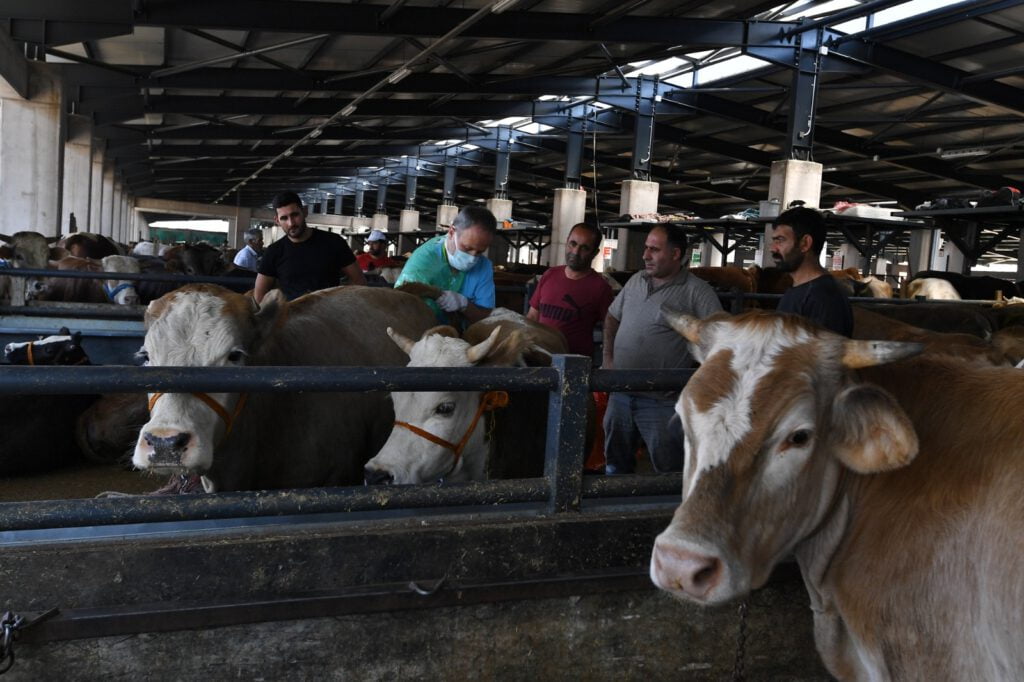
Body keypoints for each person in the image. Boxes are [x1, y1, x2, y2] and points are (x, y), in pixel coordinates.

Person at [602, 223, 723, 475]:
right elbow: (612, 317)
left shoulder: (697, 292)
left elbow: (720, 340)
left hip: (660, 401)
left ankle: (665, 512)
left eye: (654, 250)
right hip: (621, 394)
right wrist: (608, 359)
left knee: (668, 467)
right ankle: (614, 510)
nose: (645, 255)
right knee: (615, 462)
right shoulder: (636, 281)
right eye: (646, 248)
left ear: (676, 254)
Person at [254, 191, 365, 303]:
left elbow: (359, 281)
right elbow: (259, 295)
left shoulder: (334, 242)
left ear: (305, 211)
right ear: (277, 220)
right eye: (284, 218)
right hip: (291, 317)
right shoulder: (274, 251)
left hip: (329, 316)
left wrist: (344, 307)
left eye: (295, 215)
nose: (291, 223)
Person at [394, 206, 497, 324]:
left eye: (480, 252)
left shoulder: (484, 266)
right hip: (423, 335)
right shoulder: (423, 261)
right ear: (452, 232)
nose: (472, 258)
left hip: (464, 338)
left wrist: (465, 305)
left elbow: (486, 316)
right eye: (467, 248)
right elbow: (401, 308)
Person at [527, 222, 613, 357]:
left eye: (584, 248)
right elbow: (532, 316)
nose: (575, 252)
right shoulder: (549, 275)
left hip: (575, 366)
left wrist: (607, 358)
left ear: (595, 253)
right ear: (566, 242)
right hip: (540, 359)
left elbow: (610, 328)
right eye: (572, 244)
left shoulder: (601, 288)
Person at [769, 206, 853, 337]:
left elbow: (826, 355)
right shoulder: (799, 289)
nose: (772, 249)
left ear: (805, 244)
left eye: (780, 240)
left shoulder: (824, 297)